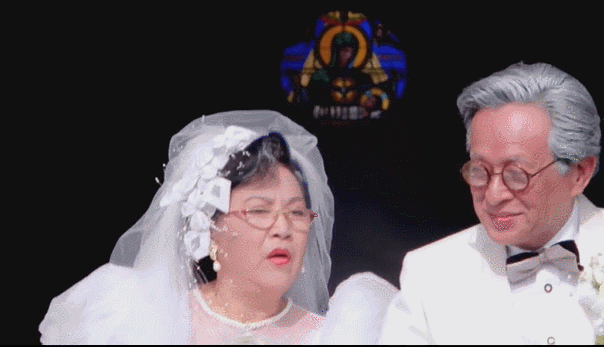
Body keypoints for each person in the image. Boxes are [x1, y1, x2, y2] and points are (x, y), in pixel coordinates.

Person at [378, 62, 604, 344]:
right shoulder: (429, 273)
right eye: (480, 171)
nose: (494, 195)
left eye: (516, 174)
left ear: (579, 173)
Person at [39, 110, 398, 344]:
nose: (283, 228)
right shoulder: (138, 319)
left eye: (296, 212)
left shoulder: (337, 336)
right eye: (259, 211)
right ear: (210, 227)